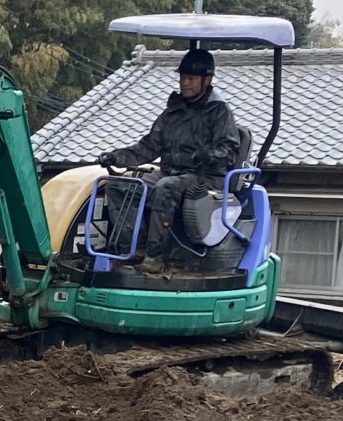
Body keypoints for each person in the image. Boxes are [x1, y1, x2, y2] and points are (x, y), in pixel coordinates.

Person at [97, 48, 244, 265]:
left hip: (206, 177)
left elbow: (229, 150)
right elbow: (149, 146)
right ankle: (132, 249)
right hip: (171, 172)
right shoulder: (172, 112)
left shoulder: (218, 110)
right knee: (119, 186)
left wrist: (207, 156)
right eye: (182, 78)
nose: (184, 83)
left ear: (207, 80)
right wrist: (116, 157)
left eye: (191, 79)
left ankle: (155, 257)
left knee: (166, 187)